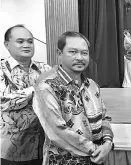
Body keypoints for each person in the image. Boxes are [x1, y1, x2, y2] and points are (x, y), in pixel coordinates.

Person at [33, 31, 113, 165]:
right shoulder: (47, 87)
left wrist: (108, 142)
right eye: (73, 52)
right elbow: (58, 131)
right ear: (59, 54)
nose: (80, 57)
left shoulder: (92, 85)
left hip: (96, 159)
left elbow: (104, 118)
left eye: (84, 53)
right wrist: (97, 149)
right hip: (65, 161)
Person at [0, 24, 51, 165]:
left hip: (44, 146)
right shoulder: (2, 70)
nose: (26, 45)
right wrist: (37, 88)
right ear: (7, 44)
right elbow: (4, 101)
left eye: (30, 41)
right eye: (20, 41)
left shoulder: (45, 68)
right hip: (12, 149)